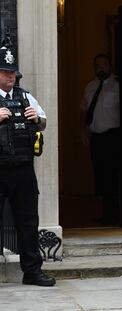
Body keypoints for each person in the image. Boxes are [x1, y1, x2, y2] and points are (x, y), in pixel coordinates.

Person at [0, 46, 55, 286]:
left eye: (12, 73)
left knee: (28, 221)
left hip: (23, 169)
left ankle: (32, 271)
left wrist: (36, 118)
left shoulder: (25, 96)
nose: (10, 77)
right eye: (5, 72)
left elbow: (43, 122)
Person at [81, 54, 120, 225]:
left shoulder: (117, 85)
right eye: (97, 65)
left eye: (104, 64)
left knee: (113, 176)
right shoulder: (90, 86)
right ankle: (106, 214)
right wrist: (83, 130)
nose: (101, 68)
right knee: (100, 176)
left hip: (113, 137)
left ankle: (117, 215)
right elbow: (83, 109)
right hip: (96, 138)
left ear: (110, 66)